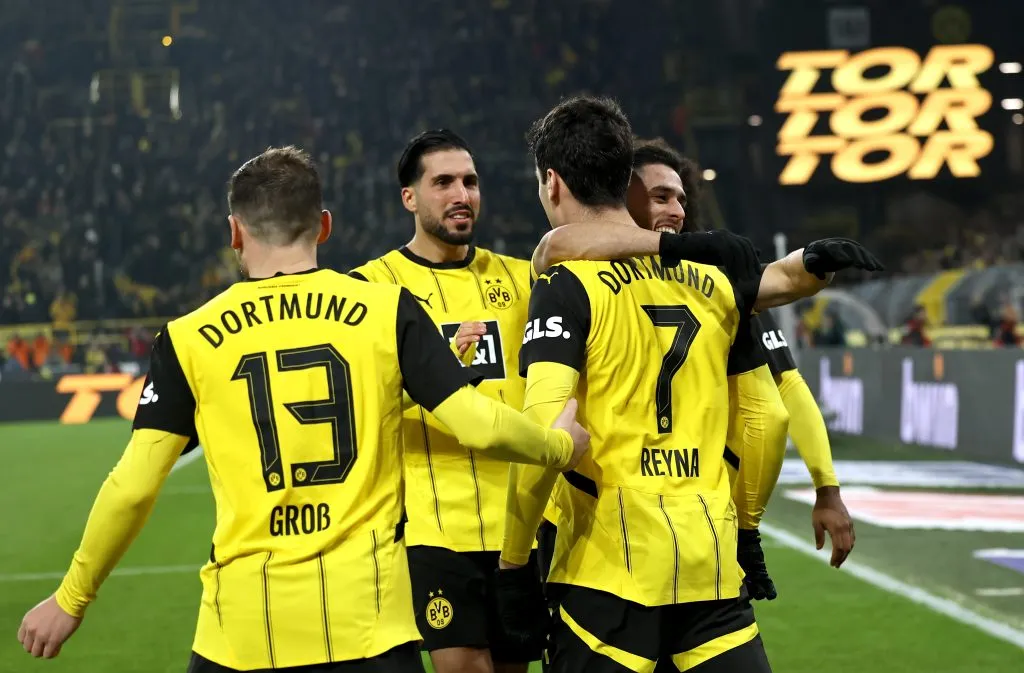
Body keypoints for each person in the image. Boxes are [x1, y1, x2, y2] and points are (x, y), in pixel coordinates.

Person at [17, 146, 590, 673]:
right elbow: (478, 424)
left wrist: (71, 598)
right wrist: (558, 445)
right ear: (323, 225)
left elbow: (133, 485)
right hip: (369, 625)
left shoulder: (188, 338)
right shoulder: (386, 310)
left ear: (235, 232)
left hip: (241, 633)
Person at [498, 96, 880, 673]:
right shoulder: (712, 284)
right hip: (709, 560)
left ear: (552, 182)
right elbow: (765, 420)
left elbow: (542, 439)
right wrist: (748, 529)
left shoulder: (565, 282)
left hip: (607, 567)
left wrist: (512, 565)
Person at [531, 137, 859, 601]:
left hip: (697, 532)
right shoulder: (574, 274)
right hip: (595, 528)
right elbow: (558, 244)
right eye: (662, 196)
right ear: (620, 197)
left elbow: (781, 393)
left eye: (682, 199)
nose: (679, 210)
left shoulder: (707, 287)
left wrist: (814, 264)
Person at [348, 129, 541, 673]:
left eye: (470, 182)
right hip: (433, 528)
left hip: (519, 522)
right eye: (443, 183)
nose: (462, 194)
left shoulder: (522, 279)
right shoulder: (370, 289)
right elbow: (364, 407)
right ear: (409, 197)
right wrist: (438, 378)